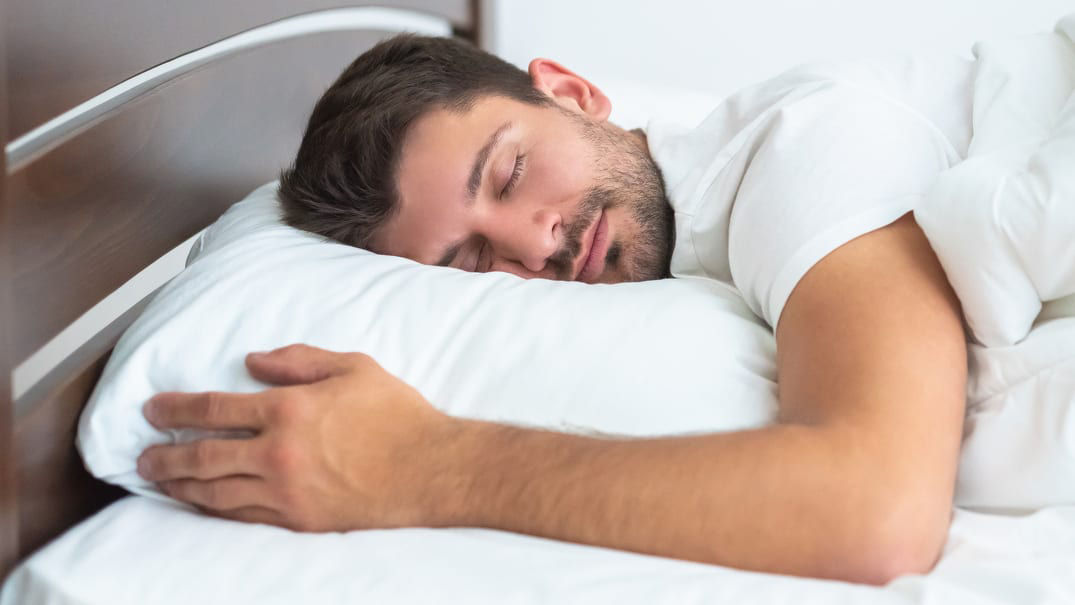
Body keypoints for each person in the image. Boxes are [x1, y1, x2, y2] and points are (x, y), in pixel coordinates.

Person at [135, 35, 970, 585]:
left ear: (572, 91)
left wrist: (422, 464)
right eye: (469, 260)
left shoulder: (798, 147)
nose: (534, 245)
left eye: (506, 174)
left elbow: (877, 511)